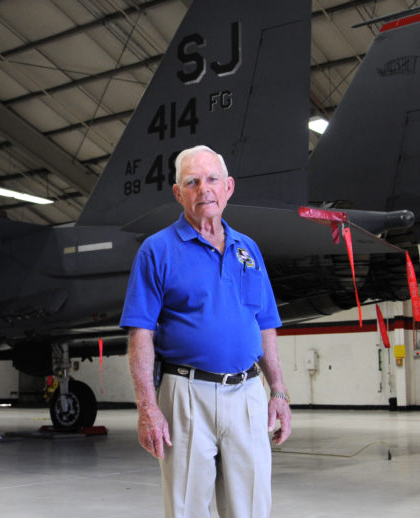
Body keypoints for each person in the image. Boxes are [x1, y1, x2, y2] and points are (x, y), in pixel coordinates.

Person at [120, 145, 291, 518]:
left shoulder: (249, 250)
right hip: (186, 394)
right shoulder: (157, 250)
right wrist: (148, 408)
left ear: (228, 187)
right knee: (186, 508)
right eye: (192, 182)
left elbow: (265, 326)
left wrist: (277, 391)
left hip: (248, 394)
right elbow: (140, 335)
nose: (204, 189)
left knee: (251, 508)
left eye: (212, 179)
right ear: (178, 193)